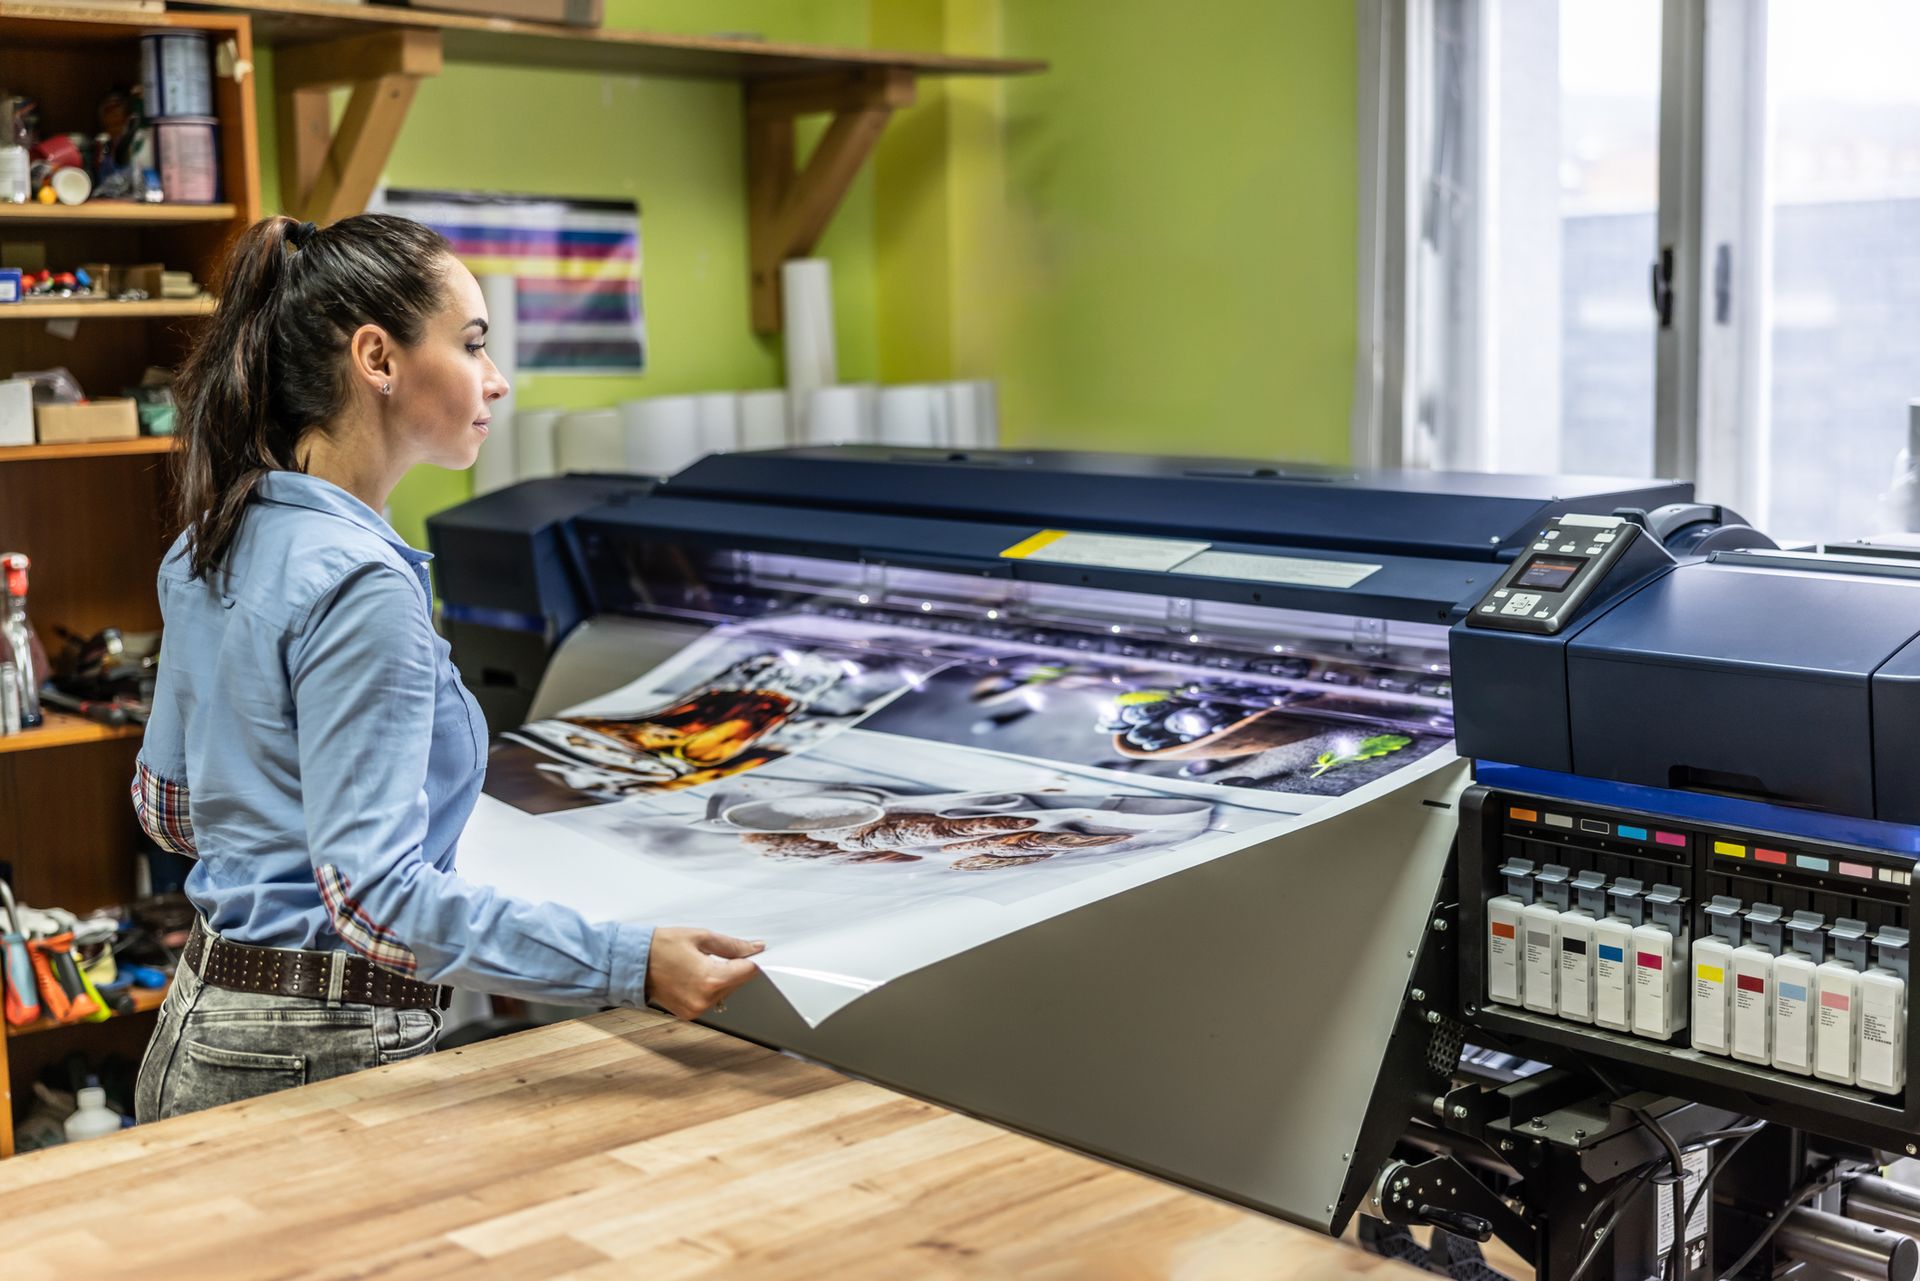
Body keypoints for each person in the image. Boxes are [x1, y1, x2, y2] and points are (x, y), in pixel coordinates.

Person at [131, 213, 764, 1123]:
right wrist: (636, 961)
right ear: (377, 359)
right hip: (317, 1053)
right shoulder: (360, 582)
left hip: (203, 1024)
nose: (496, 380)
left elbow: (171, 811)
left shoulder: (216, 537)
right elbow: (378, 901)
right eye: (472, 344)